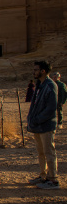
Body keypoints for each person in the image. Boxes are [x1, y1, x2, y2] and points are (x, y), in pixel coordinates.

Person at [27, 61, 59, 189]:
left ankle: (53, 179)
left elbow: (51, 108)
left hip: (46, 125)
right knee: (41, 152)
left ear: (43, 71)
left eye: (36, 70)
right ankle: (43, 175)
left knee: (49, 152)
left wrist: (37, 119)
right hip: (38, 125)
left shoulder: (50, 86)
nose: (34, 72)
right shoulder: (40, 85)